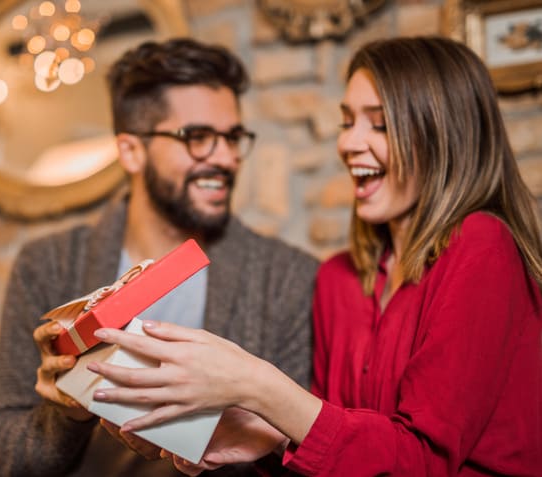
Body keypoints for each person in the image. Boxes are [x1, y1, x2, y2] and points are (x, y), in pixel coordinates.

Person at [85, 36, 542, 476]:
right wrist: (270, 438)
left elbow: (423, 462)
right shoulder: (338, 280)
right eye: (347, 122)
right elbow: (342, 448)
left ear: (445, 137)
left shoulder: (482, 246)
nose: (348, 143)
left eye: (378, 124)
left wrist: (257, 385)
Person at [0, 38, 319, 477]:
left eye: (233, 137)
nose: (226, 158)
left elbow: (303, 457)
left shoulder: (288, 277)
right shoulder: (48, 264)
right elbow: (8, 458)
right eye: (197, 137)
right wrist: (65, 411)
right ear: (131, 151)